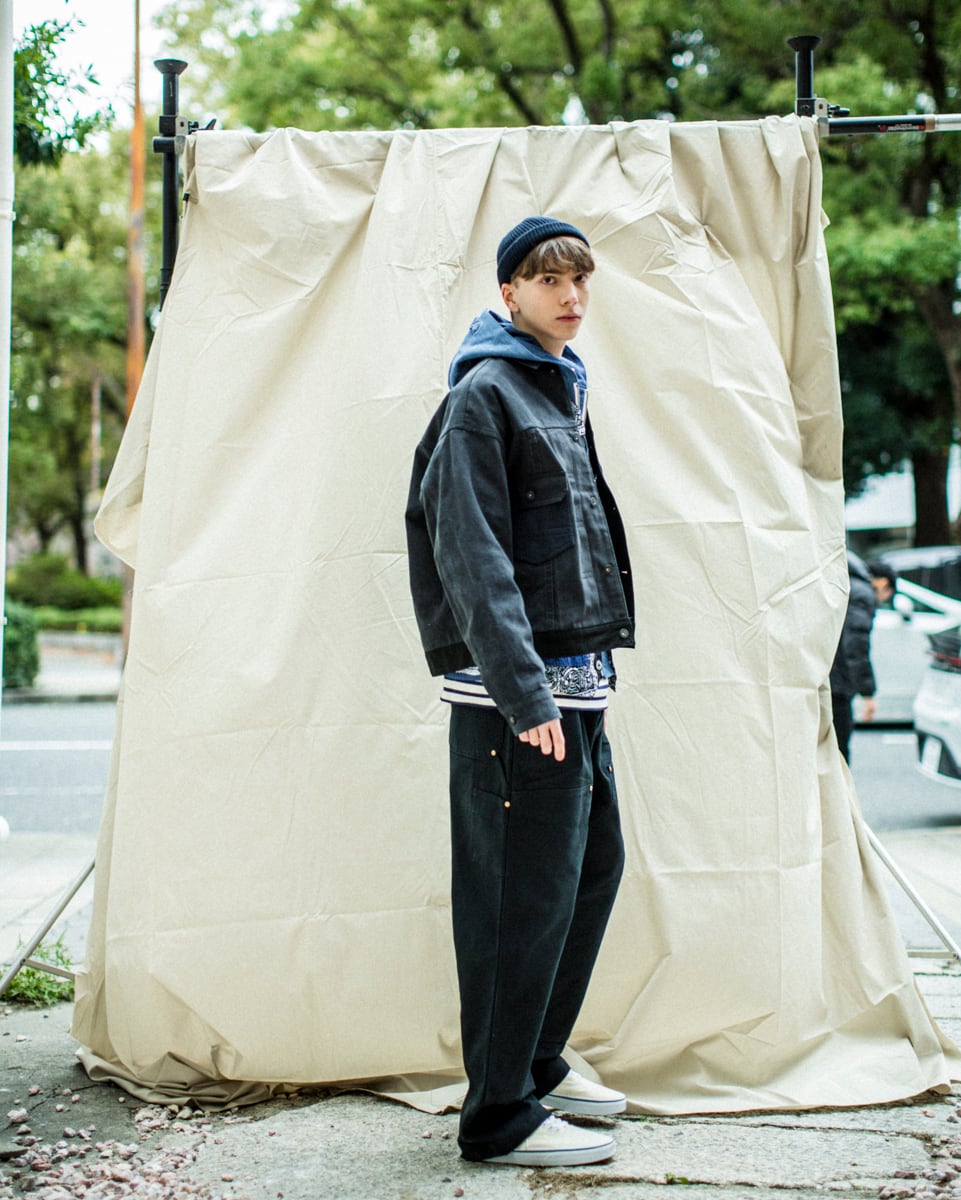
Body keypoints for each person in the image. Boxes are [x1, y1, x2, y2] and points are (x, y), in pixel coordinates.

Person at [405, 217, 635, 1168]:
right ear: (508, 292)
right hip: (519, 700)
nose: (570, 296)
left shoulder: (556, 386)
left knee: (589, 873)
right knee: (516, 901)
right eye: (548, 280)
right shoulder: (485, 395)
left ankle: (535, 1064)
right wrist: (524, 694)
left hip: (577, 684)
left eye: (580, 279)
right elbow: (469, 552)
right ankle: (497, 1116)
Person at [829, 553, 895, 762]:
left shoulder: (847, 585)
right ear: (883, 583)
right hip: (837, 683)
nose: (884, 600)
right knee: (838, 751)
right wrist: (867, 693)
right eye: (889, 594)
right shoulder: (863, 595)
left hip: (825, 676)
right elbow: (856, 646)